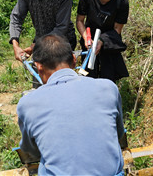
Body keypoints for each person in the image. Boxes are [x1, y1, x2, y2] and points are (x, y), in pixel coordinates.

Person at [17, 34, 125, 176]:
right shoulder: (108, 88)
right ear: (74, 60)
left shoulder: (27, 104)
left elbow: (30, 150)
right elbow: (118, 133)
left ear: (38, 67)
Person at [76, 0, 129, 82]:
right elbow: (80, 20)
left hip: (109, 41)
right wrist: (86, 37)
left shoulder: (122, 2)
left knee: (108, 78)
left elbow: (117, 29)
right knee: (88, 76)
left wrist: (101, 41)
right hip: (89, 42)